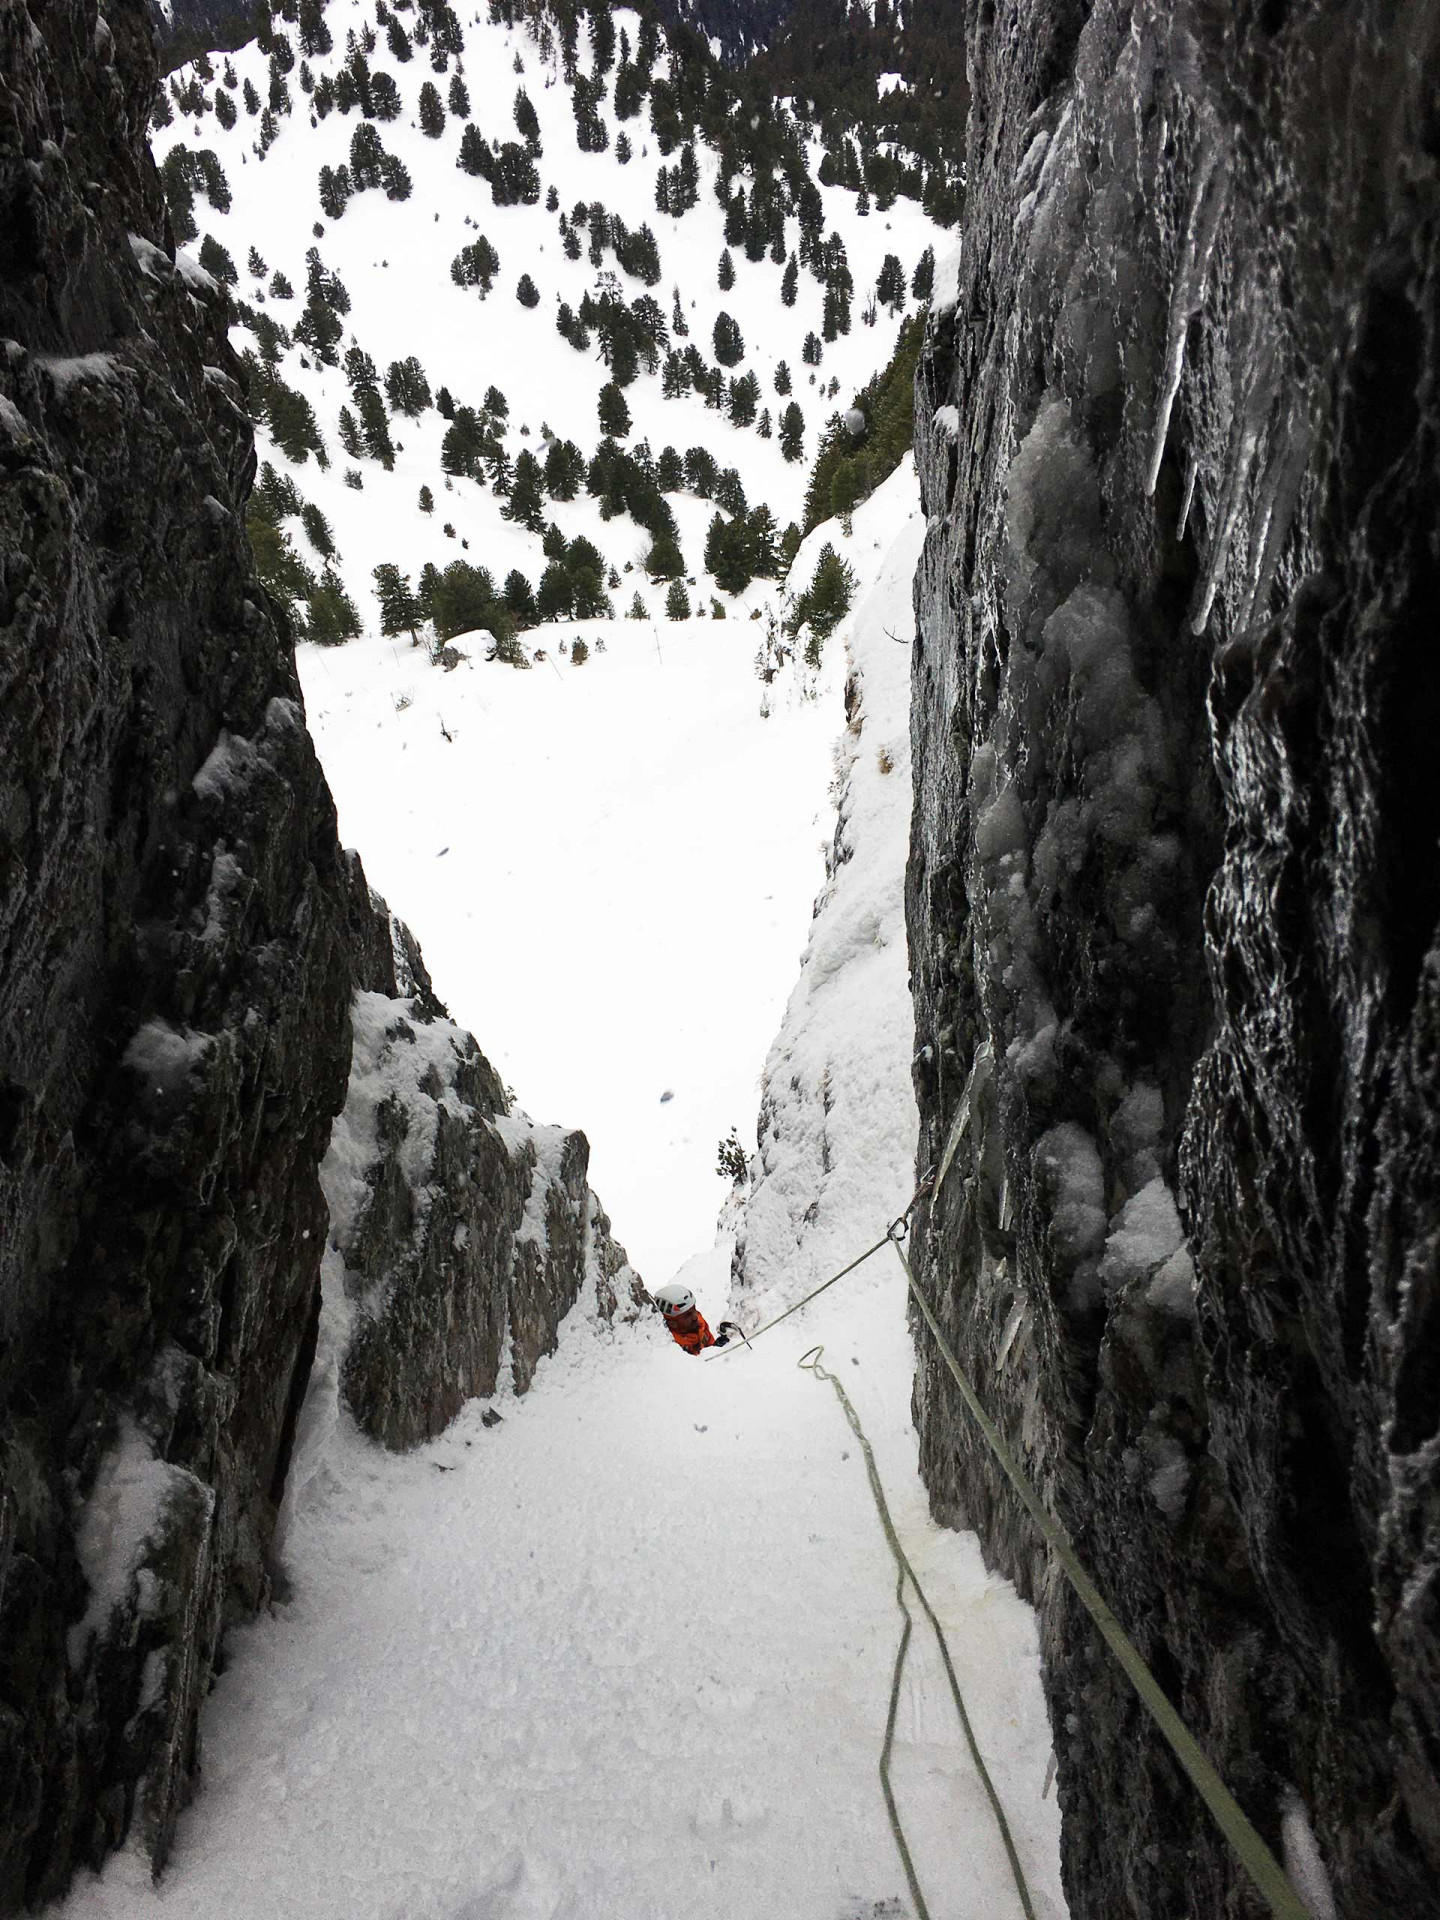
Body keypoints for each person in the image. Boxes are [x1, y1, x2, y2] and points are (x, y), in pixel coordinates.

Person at [653, 1283, 742, 1355]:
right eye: (687, 1315)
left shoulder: (698, 1324)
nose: (695, 1316)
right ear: (672, 1323)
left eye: (694, 1309)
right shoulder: (672, 1347)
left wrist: (715, 1347)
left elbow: (708, 1343)